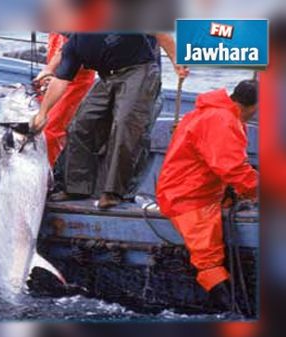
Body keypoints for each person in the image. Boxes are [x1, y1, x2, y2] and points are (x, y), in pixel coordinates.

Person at [31, 33, 189, 209]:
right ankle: (76, 187)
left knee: (125, 126)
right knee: (80, 126)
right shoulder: (75, 43)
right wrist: (43, 113)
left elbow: (159, 32)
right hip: (107, 76)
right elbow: (61, 80)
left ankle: (115, 192)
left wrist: (176, 59)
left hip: (139, 71)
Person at [156, 80, 259, 309]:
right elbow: (231, 168)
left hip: (194, 190)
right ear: (254, 106)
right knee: (208, 261)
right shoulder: (222, 120)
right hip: (188, 198)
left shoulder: (215, 113)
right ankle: (230, 313)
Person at [35, 33, 96, 167]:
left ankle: (45, 175)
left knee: (50, 132)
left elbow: (76, 45)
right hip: (54, 77)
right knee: (38, 126)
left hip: (75, 80)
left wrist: (50, 68)